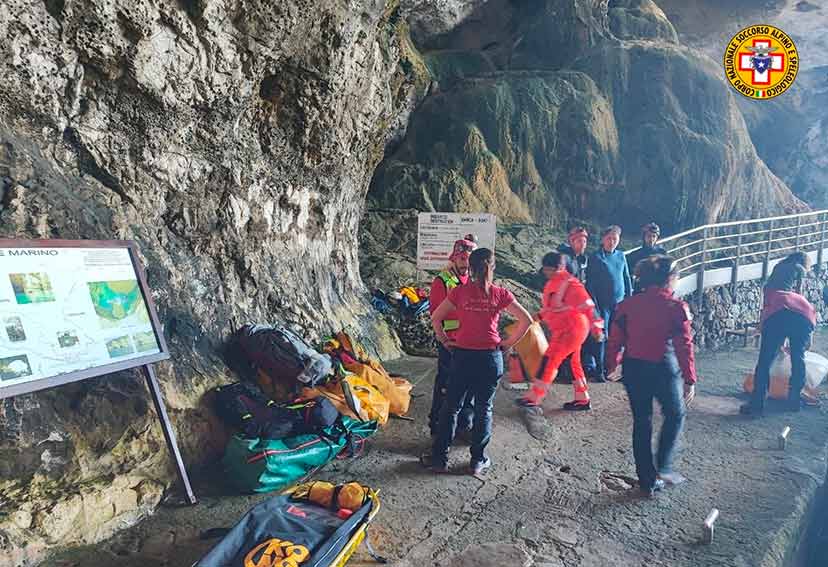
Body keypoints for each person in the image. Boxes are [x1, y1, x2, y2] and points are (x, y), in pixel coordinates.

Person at [427, 248, 533, 475]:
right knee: (484, 408)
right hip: (490, 358)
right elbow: (527, 320)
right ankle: (477, 460)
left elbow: (436, 317)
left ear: (471, 268)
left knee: (451, 407)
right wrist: (508, 343)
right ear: (492, 268)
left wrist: (445, 340)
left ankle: (439, 459)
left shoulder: (458, 292)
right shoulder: (500, 293)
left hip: (462, 356)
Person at [606, 255, 696, 497]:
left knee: (642, 422)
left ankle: (647, 479)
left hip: (634, 369)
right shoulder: (676, 307)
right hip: (664, 369)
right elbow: (684, 346)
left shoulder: (627, 305)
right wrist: (689, 379)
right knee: (675, 414)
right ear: (669, 279)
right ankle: (664, 466)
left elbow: (615, 338)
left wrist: (611, 364)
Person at [516, 252, 604, 411]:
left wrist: (597, 328)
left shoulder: (570, 284)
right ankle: (582, 398)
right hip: (568, 329)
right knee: (573, 363)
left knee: (550, 361)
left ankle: (534, 398)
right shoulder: (555, 283)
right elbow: (554, 307)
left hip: (570, 330)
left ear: (559, 267)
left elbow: (588, 306)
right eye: (546, 269)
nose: (547, 272)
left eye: (550, 269)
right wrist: (540, 316)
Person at [741, 252, 816, 416]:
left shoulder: (778, 268)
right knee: (798, 357)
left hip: (776, 314)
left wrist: (763, 324)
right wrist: (809, 337)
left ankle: (757, 404)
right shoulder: (800, 269)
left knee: (765, 360)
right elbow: (800, 300)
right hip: (802, 316)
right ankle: (794, 401)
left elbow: (768, 300)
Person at [428, 235, 478, 437]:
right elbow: (435, 314)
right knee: (446, 385)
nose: (466, 264)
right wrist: (444, 339)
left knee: (467, 386)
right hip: (449, 342)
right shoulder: (443, 281)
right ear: (455, 258)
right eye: (463, 259)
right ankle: (438, 425)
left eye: (469, 260)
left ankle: (462, 425)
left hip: (468, 342)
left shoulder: (471, 280)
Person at [587, 225, 633, 381]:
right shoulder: (596, 257)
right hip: (602, 306)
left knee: (618, 337)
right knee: (601, 337)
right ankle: (599, 371)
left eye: (615, 239)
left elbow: (627, 278)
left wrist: (629, 299)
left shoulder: (621, 256)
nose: (612, 241)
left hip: (619, 304)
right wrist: (595, 306)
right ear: (602, 239)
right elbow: (590, 284)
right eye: (609, 238)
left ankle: (612, 369)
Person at [557, 227, 597, 378]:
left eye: (585, 241)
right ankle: (564, 370)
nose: (583, 244)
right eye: (579, 241)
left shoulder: (580, 258)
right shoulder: (565, 258)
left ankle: (573, 369)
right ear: (571, 241)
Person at [626, 223, 667, 293]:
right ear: (644, 237)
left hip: (657, 289)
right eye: (649, 236)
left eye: (654, 236)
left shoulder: (662, 253)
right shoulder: (635, 255)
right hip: (640, 289)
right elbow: (627, 273)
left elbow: (666, 272)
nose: (651, 239)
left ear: (657, 238)